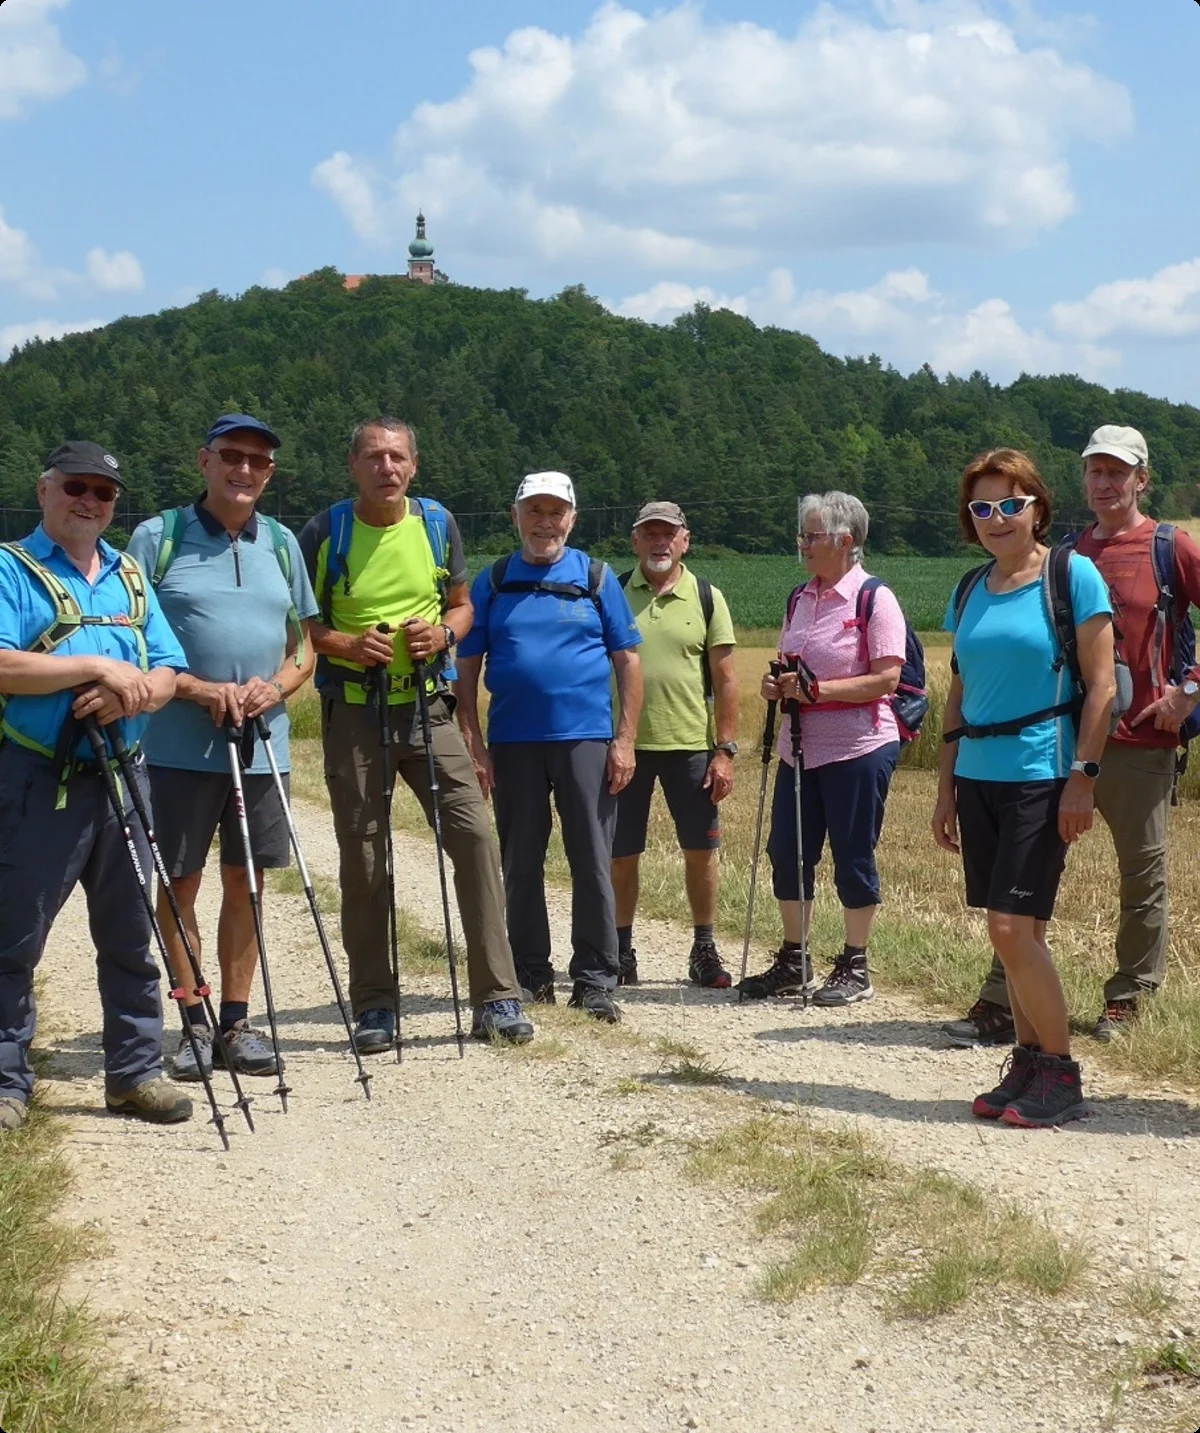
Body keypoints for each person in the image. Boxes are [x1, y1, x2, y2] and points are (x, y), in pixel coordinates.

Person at [943, 425, 1200, 1047]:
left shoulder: (1170, 547)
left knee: (1141, 871)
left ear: (1143, 479)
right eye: (1095, 471)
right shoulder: (1067, 552)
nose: (1106, 482)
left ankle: (1129, 997)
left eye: (1119, 471)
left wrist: (1190, 691)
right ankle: (1002, 1001)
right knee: (1022, 878)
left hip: (1141, 737)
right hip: (1060, 736)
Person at [299, 417, 534, 1050]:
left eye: (397, 457)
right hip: (353, 711)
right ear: (353, 465)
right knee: (366, 859)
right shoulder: (325, 531)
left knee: (476, 839)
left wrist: (446, 634)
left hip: (429, 710)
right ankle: (376, 1004)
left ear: (414, 465)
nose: (386, 468)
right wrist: (349, 644)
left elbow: (461, 605)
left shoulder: (436, 524)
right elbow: (302, 627)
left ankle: (498, 998)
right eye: (373, 457)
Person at [0, 441, 192, 1130]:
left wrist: (132, 696)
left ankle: (136, 1072)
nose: (90, 501)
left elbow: (169, 670)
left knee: (129, 932)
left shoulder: (130, 576)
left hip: (122, 776)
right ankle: (5, 1081)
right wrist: (94, 667)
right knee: (14, 935)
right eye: (76, 486)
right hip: (36, 779)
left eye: (104, 493)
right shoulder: (9, 568)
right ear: (45, 488)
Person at [127, 414, 318, 1083]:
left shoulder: (284, 543)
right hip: (179, 746)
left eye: (259, 462)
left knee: (249, 882)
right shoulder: (159, 536)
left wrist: (277, 687)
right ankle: (191, 1018)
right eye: (232, 456)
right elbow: (135, 642)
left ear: (269, 474)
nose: (245, 470)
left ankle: (235, 1020)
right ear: (204, 461)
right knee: (179, 884)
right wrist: (199, 689)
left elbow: (305, 645)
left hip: (263, 748)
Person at [932, 448, 1116, 1128]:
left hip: (1043, 772)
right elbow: (959, 694)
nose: (997, 517)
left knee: (1012, 926)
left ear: (1038, 506)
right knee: (1012, 931)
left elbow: (1102, 688)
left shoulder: (1073, 576)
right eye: (983, 507)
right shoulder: (970, 587)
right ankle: (1028, 1057)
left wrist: (1083, 779)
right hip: (979, 774)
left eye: (1011, 503)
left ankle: (1061, 1070)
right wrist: (945, 789)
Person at [456, 472, 643, 1023]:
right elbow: (466, 669)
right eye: (534, 510)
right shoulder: (492, 580)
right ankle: (531, 974)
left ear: (572, 518)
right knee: (521, 863)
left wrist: (625, 740)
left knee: (591, 861)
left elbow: (629, 661)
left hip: (585, 740)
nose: (545, 521)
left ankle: (594, 980)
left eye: (555, 512)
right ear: (515, 517)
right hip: (513, 744)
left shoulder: (595, 576)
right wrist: (473, 742)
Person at [737, 491, 905, 1007]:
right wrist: (777, 686)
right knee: (787, 853)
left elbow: (888, 679)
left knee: (852, 855)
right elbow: (791, 664)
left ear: (845, 541)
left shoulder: (874, 598)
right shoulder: (799, 597)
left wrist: (819, 692)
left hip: (859, 746)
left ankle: (855, 963)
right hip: (798, 748)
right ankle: (795, 958)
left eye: (811, 536)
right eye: (803, 535)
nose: (803, 545)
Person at [610, 501, 739, 988]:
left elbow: (726, 680)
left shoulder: (707, 597)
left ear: (685, 541)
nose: (660, 542)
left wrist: (725, 751)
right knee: (621, 854)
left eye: (669, 534)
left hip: (690, 746)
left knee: (701, 853)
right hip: (626, 747)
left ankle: (703, 949)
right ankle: (621, 952)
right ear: (635, 541)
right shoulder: (614, 592)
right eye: (650, 534)